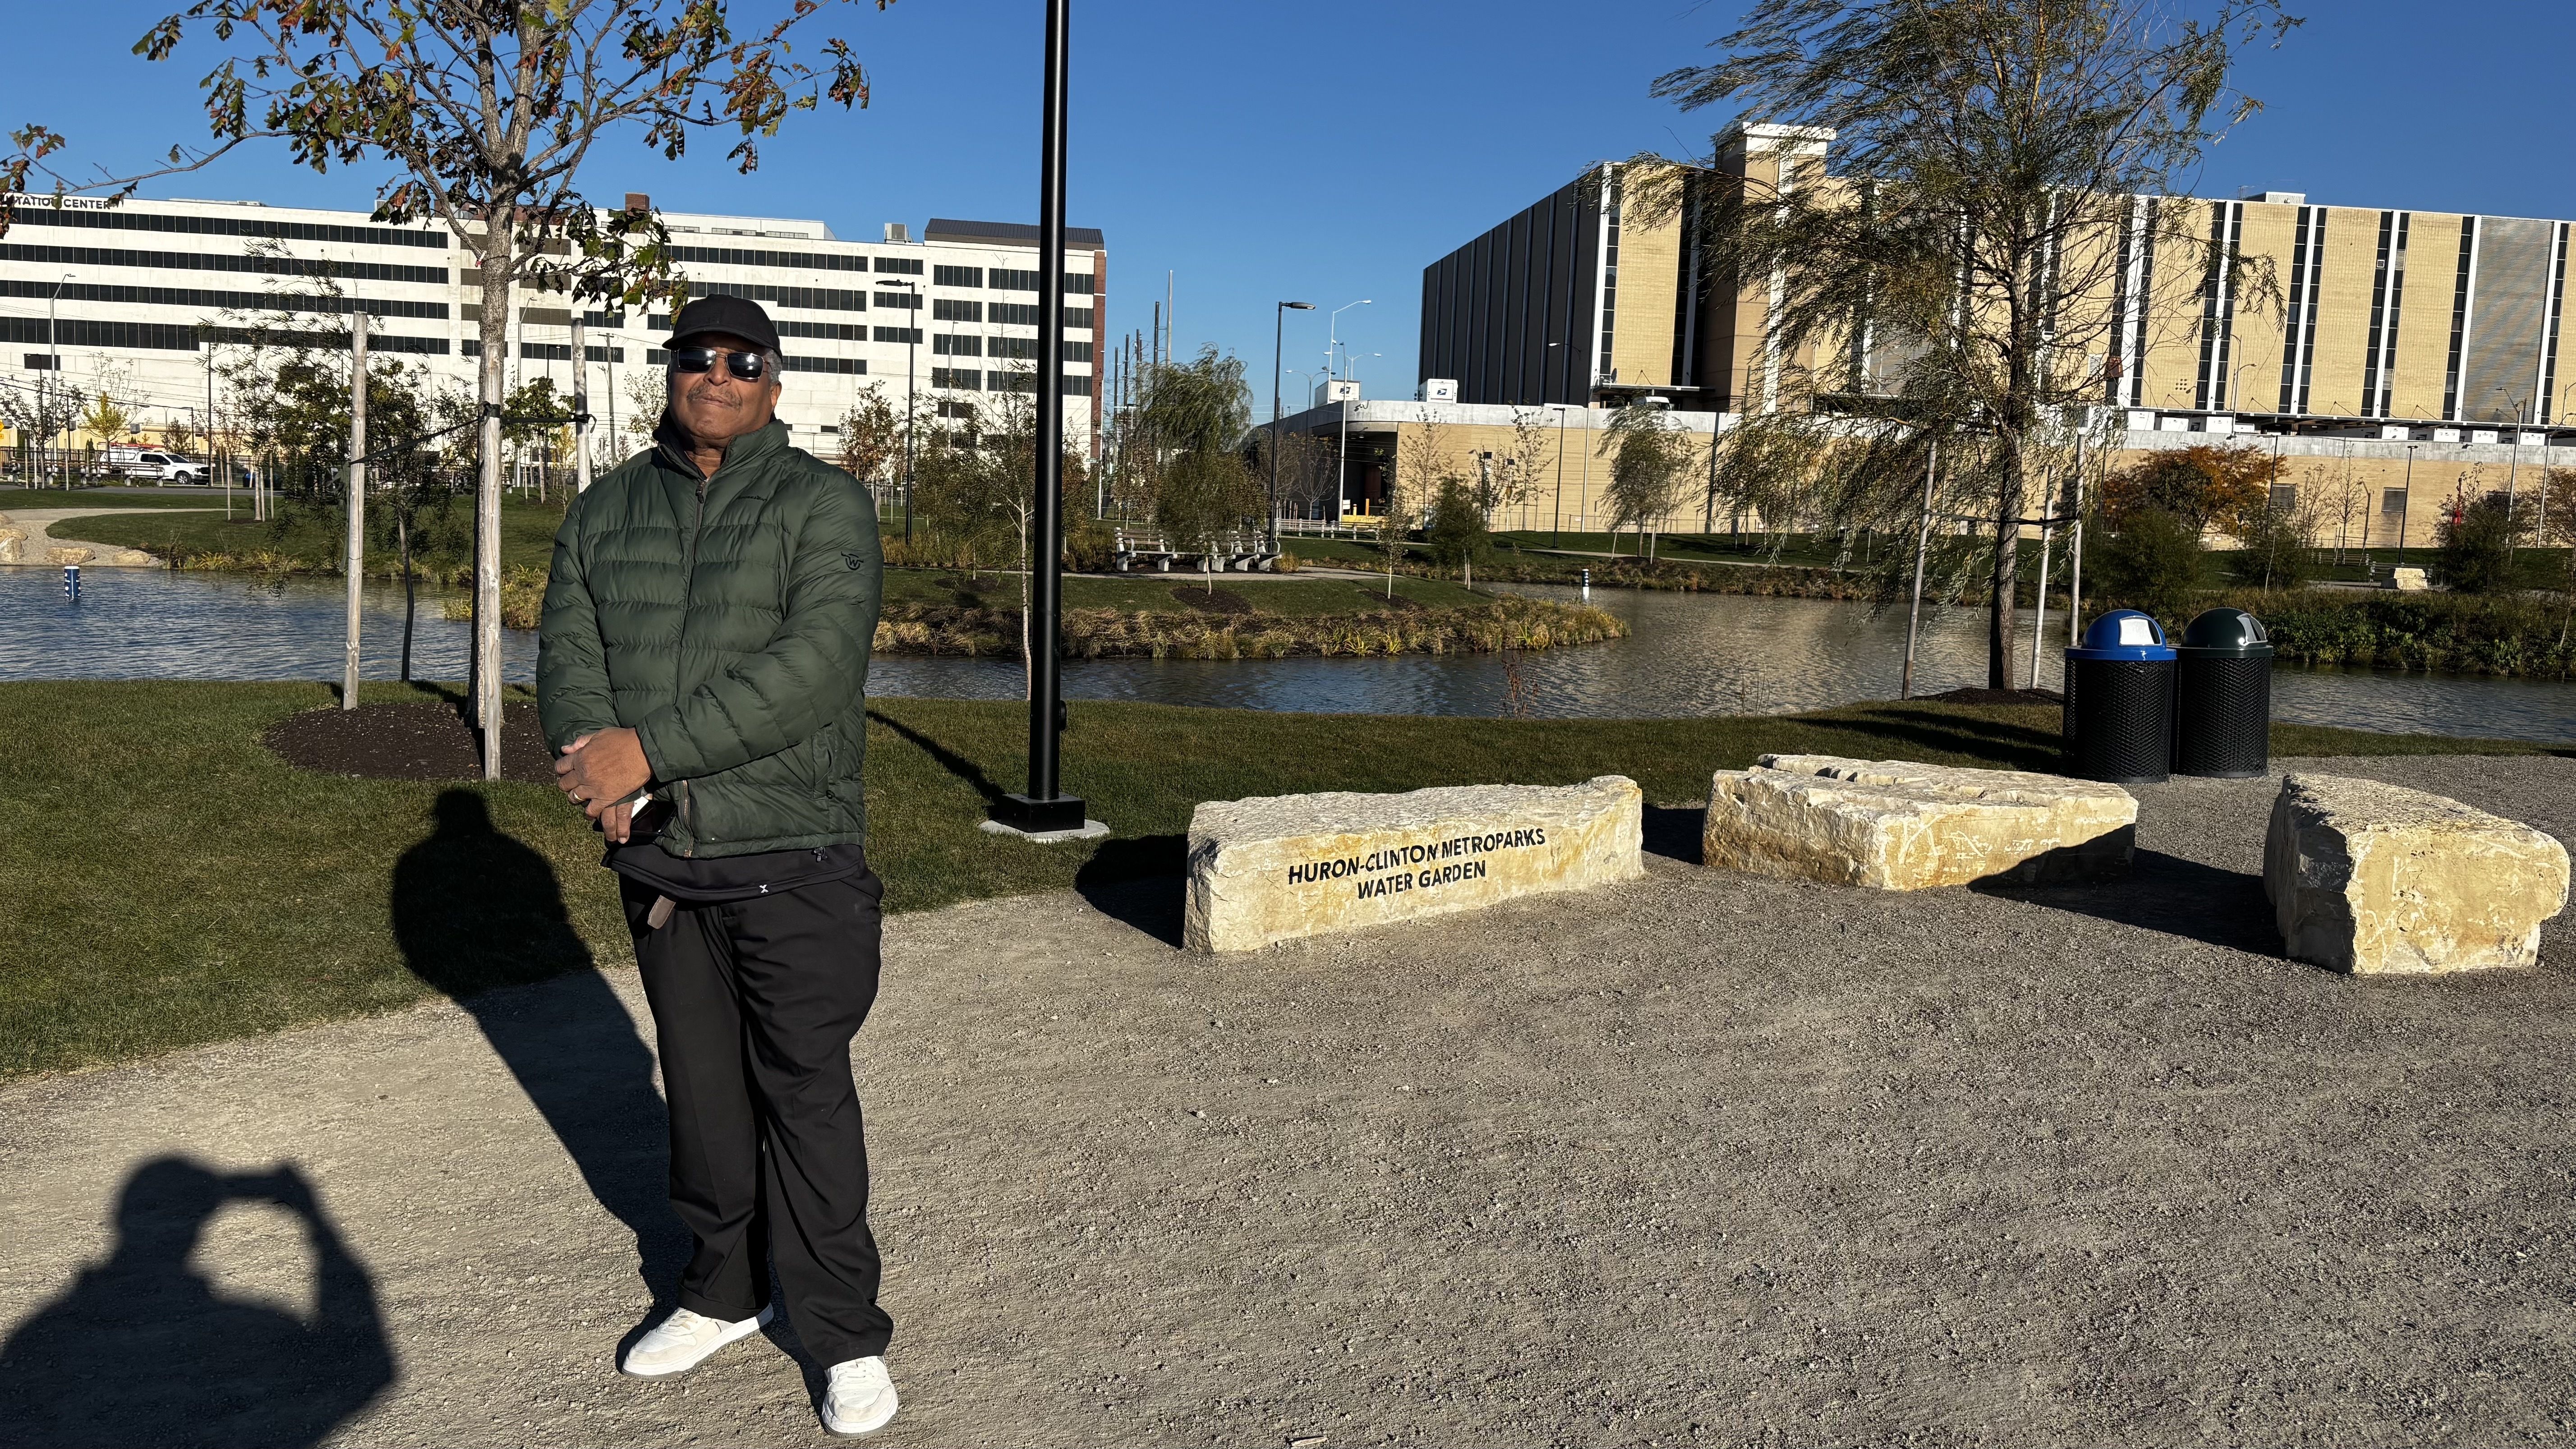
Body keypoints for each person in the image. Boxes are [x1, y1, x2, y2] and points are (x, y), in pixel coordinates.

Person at [537, 294, 896, 1437]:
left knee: (804, 1095)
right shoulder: (605, 508)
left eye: (743, 360)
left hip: (794, 856)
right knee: (700, 1096)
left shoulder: (825, 505)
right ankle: (723, 1291)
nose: (718, 374)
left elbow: (815, 668)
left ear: (775, 383)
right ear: (672, 372)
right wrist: (606, 773)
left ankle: (840, 1331)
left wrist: (651, 747)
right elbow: (570, 649)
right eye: (698, 357)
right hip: (665, 861)